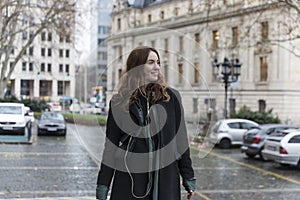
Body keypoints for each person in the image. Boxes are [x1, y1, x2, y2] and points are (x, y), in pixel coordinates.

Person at [96, 46, 196, 200]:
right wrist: (103, 185)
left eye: (158, 62)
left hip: (165, 178)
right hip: (130, 178)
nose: (156, 67)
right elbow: (111, 147)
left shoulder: (172, 97)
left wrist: (188, 178)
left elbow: (181, 140)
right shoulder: (119, 102)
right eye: (151, 62)